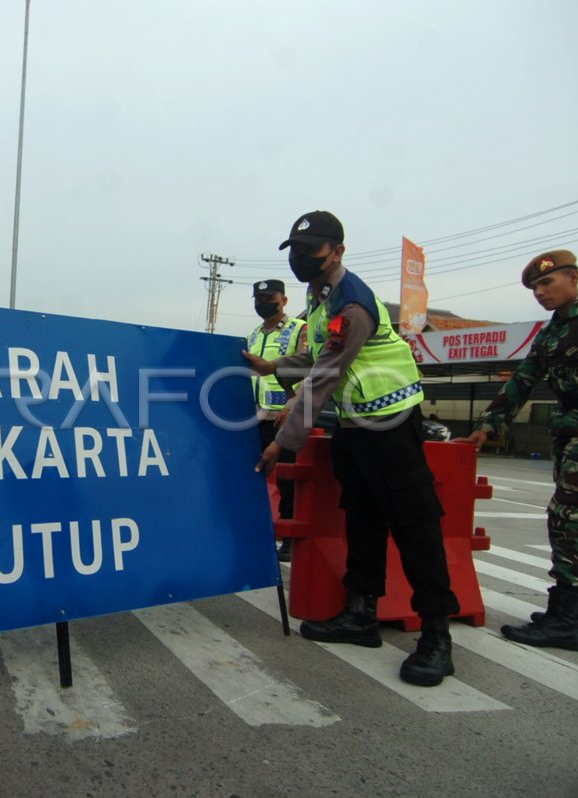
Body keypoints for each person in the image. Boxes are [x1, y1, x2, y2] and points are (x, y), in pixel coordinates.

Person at [246, 210, 459, 687]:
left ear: (337, 252)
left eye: (311, 251)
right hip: (355, 424)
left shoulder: (352, 303)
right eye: (296, 251)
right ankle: (361, 614)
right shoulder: (321, 296)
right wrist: (274, 367)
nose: (301, 259)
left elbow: (326, 373)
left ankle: (436, 636)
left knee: (414, 525)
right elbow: (319, 353)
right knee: (362, 517)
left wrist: (283, 442)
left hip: (392, 422)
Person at [454, 250, 578, 651]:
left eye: (547, 282)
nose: (540, 292)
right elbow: (523, 380)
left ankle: (563, 619)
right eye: (534, 288)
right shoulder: (551, 333)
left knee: (566, 515)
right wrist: (486, 427)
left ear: (573, 278)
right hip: (569, 429)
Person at [245, 279, 307, 561]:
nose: (263, 303)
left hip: (285, 416)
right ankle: (256, 530)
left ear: (283, 300)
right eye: (258, 299)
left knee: (287, 479)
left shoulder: (299, 329)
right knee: (253, 474)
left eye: (269, 298)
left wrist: (296, 405)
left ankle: (290, 538)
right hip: (254, 416)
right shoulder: (253, 334)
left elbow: (309, 369)